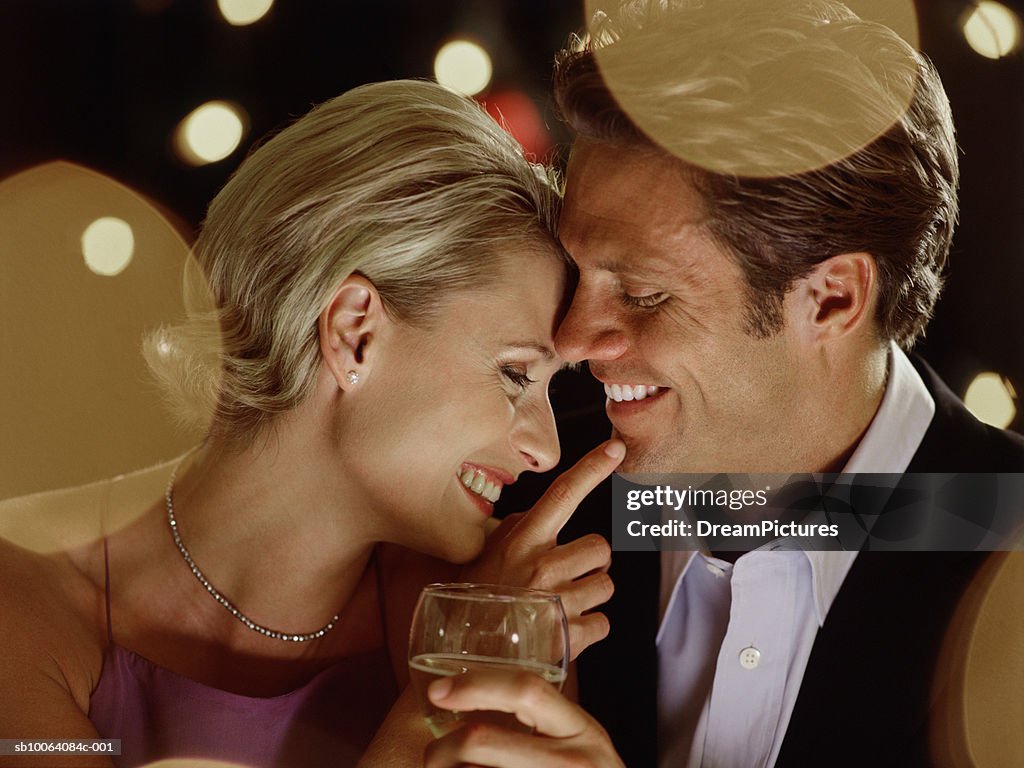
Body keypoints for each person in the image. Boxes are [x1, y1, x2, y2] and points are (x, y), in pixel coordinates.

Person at [421, 1, 1024, 766]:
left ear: (832, 297)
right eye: (579, 273)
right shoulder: (514, 496)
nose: (570, 341)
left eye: (642, 294)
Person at [0, 78, 625, 767]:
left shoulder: (486, 599)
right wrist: (441, 697)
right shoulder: (22, 595)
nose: (545, 449)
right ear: (355, 333)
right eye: (515, 375)